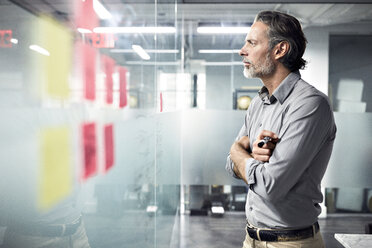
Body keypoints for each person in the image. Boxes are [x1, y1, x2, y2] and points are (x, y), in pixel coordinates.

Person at [226, 10, 337, 248]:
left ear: (280, 50)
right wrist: (249, 158)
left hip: (290, 243)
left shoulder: (310, 105)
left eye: (252, 43)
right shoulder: (258, 103)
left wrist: (238, 151)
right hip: (251, 239)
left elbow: (269, 186)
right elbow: (230, 166)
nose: (242, 50)